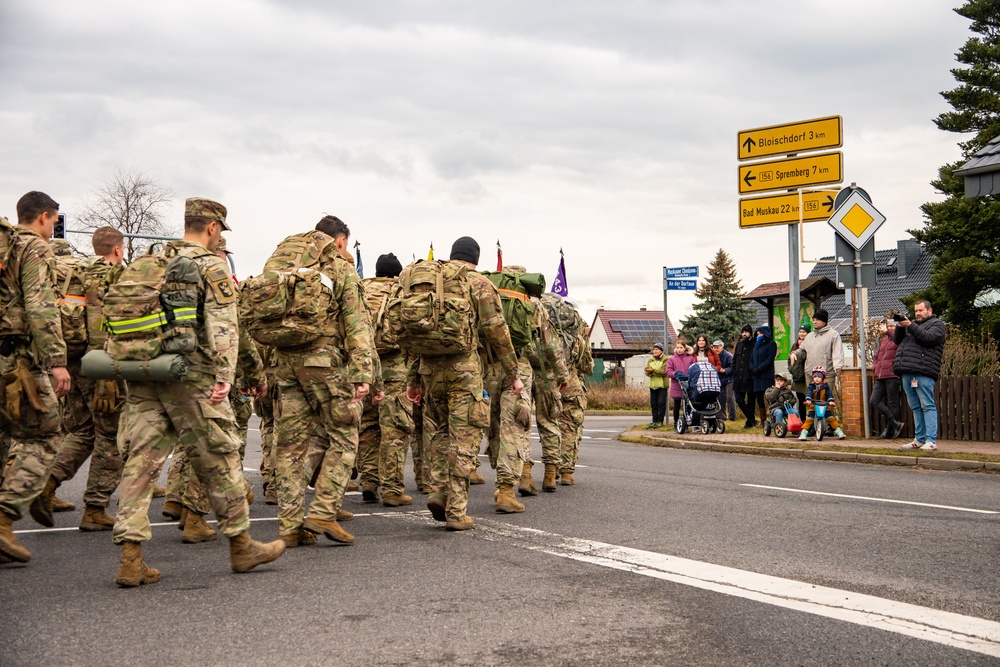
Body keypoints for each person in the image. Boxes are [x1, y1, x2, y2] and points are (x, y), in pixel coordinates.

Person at [111, 197, 285, 586]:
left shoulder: (148, 260)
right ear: (212, 227)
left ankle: (130, 558)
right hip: (192, 377)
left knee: (140, 464)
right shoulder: (210, 266)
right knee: (219, 458)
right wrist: (226, 374)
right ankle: (241, 546)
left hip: (143, 372)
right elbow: (225, 326)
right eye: (221, 230)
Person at [269, 215, 375, 547]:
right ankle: (324, 510)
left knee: (290, 445)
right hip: (325, 363)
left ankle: (289, 527)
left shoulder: (283, 265)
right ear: (340, 241)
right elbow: (357, 323)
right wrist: (362, 373)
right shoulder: (339, 268)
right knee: (344, 435)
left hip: (285, 362)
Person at [405, 237, 522, 531]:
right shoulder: (478, 283)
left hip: (429, 369)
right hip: (464, 371)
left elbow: (413, 335)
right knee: (465, 438)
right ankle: (456, 511)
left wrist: (412, 378)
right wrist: (513, 373)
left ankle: (438, 490)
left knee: (440, 434)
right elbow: (496, 330)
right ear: (475, 258)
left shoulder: (431, 282)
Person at [36, 227, 126, 532]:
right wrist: (106, 375)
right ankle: (95, 508)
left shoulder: (74, 272)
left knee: (83, 429)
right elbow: (101, 324)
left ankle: (45, 486)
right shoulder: (103, 274)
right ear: (117, 249)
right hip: (96, 363)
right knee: (111, 433)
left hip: (68, 360)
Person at [0, 192, 72, 564]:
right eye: (53, 222)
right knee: (45, 433)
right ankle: (5, 517)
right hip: (16, 360)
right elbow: (40, 306)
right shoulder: (34, 249)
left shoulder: (4, 246)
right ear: (44, 217)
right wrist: (57, 361)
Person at [894, 301, 946, 451]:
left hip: (923, 372)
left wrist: (910, 325)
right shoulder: (912, 326)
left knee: (927, 405)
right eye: (916, 311)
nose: (917, 313)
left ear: (929, 310)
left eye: (921, 310)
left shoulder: (937, 325)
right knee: (916, 407)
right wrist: (900, 326)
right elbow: (897, 341)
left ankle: (931, 440)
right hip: (907, 371)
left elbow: (928, 338)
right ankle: (919, 439)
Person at [791, 309, 845, 420]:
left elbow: (837, 351)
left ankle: (829, 425)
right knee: (811, 399)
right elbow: (802, 350)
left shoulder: (833, 335)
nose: (814, 322)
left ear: (824, 321)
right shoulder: (810, 336)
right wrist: (794, 353)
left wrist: (838, 366)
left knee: (826, 399)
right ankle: (812, 425)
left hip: (826, 374)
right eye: (814, 320)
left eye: (817, 320)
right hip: (810, 373)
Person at [871, 320, 903, 439]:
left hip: (892, 375)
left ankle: (889, 430)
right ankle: (894, 423)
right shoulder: (884, 340)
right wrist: (875, 367)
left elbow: (896, 339)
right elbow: (877, 356)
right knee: (874, 400)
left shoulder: (900, 338)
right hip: (880, 375)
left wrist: (887, 331)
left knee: (893, 403)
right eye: (888, 326)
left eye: (892, 326)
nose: (889, 328)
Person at [798, 366, 846, 440]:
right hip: (814, 406)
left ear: (823, 377)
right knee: (809, 419)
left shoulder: (826, 386)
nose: (817, 378)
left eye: (819, 376)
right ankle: (803, 433)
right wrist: (808, 399)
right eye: (815, 376)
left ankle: (839, 432)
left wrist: (831, 401)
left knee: (830, 418)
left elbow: (829, 394)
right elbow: (809, 393)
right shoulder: (811, 386)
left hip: (824, 406)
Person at [749, 325, 777, 426]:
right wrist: (752, 368)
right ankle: (763, 420)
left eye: (760, 333)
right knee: (759, 398)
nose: (758, 335)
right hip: (756, 376)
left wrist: (760, 368)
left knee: (770, 397)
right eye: (757, 334)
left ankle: (773, 419)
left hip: (766, 375)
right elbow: (751, 359)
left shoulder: (771, 344)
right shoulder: (756, 346)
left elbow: (770, 359)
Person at [665, 341, 695, 427]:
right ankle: (676, 422)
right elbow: (668, 371)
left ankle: (687, 421)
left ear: (685, 348)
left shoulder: (690, 359)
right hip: (676, 385)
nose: (679, 350)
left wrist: (689, 376)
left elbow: (694, 369)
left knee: (687, 404)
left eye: (681, 348)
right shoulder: (672, 359)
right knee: (677, 405)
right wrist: (675, 374)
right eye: (677, 348)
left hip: (687, 384)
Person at [732, 324, 756, 427]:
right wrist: (734, 371)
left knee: (751, 401)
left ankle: (749, 422)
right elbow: (734, 360)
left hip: (750, 377)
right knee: (739, 399)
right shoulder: (739, 345)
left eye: (746, 332)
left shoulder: (754, 345)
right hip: (739, 378)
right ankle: (752, 418)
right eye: (743, 332)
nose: (744, 334)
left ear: (750, 333)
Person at [789, 324, 810, 420]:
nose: (801, 334)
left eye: (804, 332)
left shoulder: (810, 344)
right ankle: (803, 421)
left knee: (810, 401)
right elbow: (789, 360)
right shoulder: (795, 345)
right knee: (801, 401)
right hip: (797, 378)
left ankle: (812, 423)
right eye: (800, 331)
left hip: (807, 377)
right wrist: (792, 370)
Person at [644, 342, 668, 428]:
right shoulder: (650, 359)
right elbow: (647, 371)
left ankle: (660, 421)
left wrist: (653, 371)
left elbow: (664, 372)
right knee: (653, 404)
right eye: (654, 349)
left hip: (662, 385)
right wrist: (649, 372)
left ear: (661, 350)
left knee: (661, 403)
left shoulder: (665, 359)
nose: (655, 351)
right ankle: (654, 421)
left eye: (657, 349)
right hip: (653, 385)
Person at [712, 340, 736, 421]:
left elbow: (733, 368)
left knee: (730, 398)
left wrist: (724, 370)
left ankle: (732, 417)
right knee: (720, 398)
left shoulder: (728, 356)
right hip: (719, 379)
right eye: (714, 347)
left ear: (722, 347)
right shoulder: (713, 356)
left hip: (729, 379)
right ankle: (721, 416)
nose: (716, 349)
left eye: (718, 347)